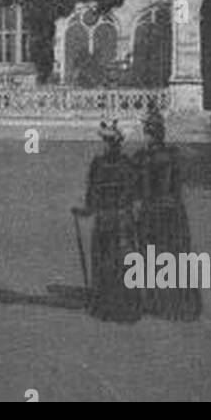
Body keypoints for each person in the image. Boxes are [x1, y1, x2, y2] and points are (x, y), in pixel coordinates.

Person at [133, 104, 201, 321]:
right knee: (176, 253)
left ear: (148, 133)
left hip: (152, 210)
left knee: (151, 254)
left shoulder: (142, 157)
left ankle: (155, 300)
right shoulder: (173, 155)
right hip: (173, 210)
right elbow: (177, 185)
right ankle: (180, 301)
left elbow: (141, 189)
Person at [72, 121, 141, 322]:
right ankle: (128, 305)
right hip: (123, 219)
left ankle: (106, 305)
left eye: (106, 141)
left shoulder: (98, 165)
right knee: (124, 262)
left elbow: (91, 200)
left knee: (105, 262)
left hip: (105, 220)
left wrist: (81, 212)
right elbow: (134, 194)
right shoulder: (128, 164)